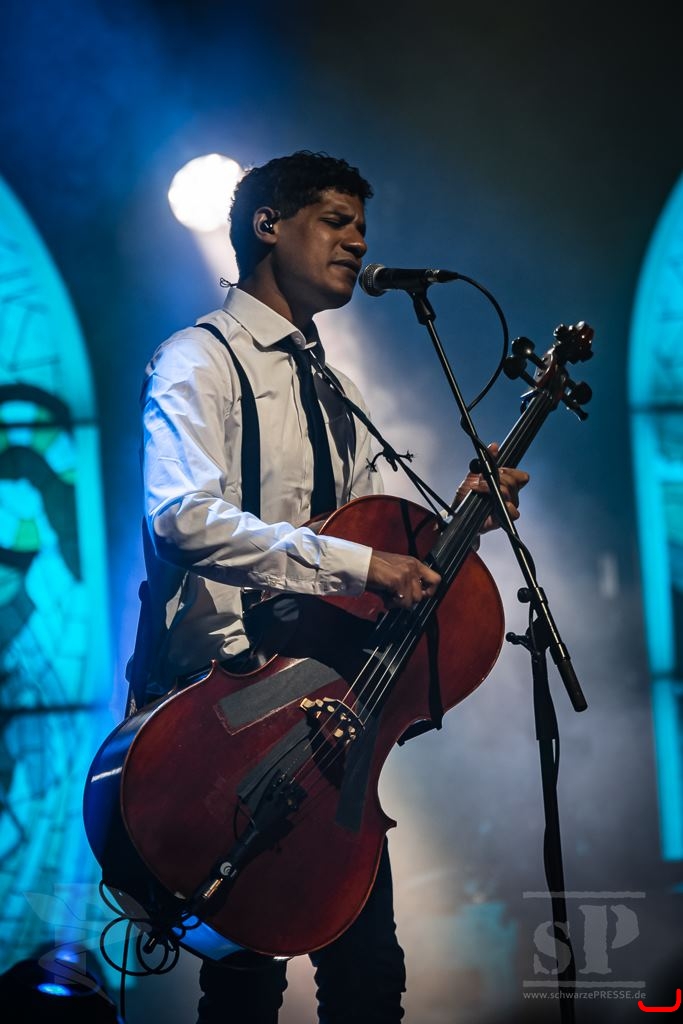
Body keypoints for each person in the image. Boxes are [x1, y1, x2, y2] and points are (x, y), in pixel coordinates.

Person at [130, 150, 528, 1023]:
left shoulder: (337, 389)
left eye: (362, 228)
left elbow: (373, 545)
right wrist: (362, 564)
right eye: (336, 222)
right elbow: (180, 519)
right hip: (222, 719)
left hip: (324, 720)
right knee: (244, 984)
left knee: (369, 976)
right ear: (268, 225)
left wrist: (462, 520)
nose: (357, 243)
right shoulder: (198, 360)